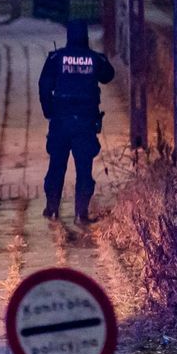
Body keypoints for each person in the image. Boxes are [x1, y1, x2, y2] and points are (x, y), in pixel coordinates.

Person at [37, 19, 116, 224]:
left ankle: (51, 208)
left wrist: (48, 111)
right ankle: (81, 213)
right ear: (86, 36)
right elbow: (109, 76)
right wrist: (99, 58)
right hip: (85, 122)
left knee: (56, 166)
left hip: (60, 122)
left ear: (68, 36)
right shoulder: (94, 58)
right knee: (84, 168)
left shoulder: (56, 57)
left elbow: (44, 85)